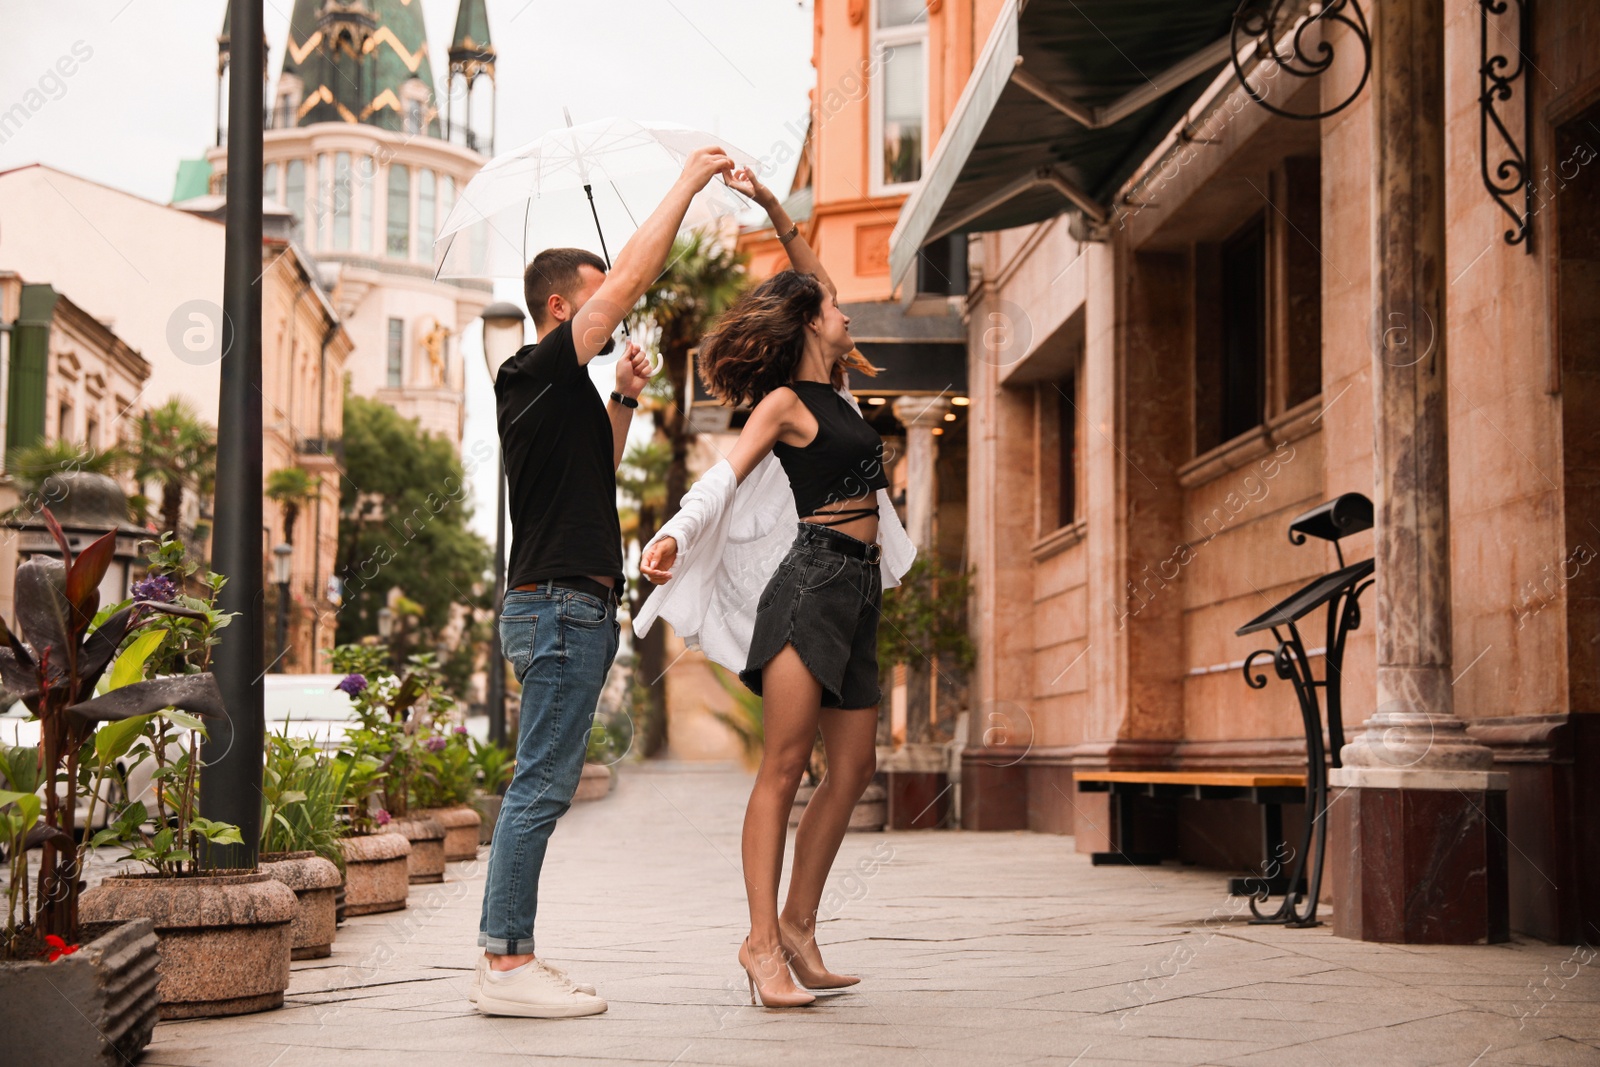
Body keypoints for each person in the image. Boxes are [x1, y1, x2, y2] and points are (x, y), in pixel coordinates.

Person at [636, 167, 915, 1008]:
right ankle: (760, 944)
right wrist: (676, 532)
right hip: (808, 584)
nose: (845, 308)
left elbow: (815, 273)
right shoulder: (788, 403)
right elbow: (724, 475)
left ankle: (799, 923)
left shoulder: (841, 389)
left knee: (854, 762)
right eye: (831, 307)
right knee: (785, 764)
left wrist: (769, 207)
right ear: (809, 324)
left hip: (859, 588)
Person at [472, 145, 737, 1019]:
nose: (610, 311)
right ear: (561, 306)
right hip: (555, 606)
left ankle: (510, 955)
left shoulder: (571, 397)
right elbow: (628, 278)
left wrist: (622, 398)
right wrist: (691, 182)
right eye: (594, 301)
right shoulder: (531, 369)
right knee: (540, 785)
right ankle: (504, 965)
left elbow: (599, 471)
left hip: (571, 606)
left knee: (541, 782)